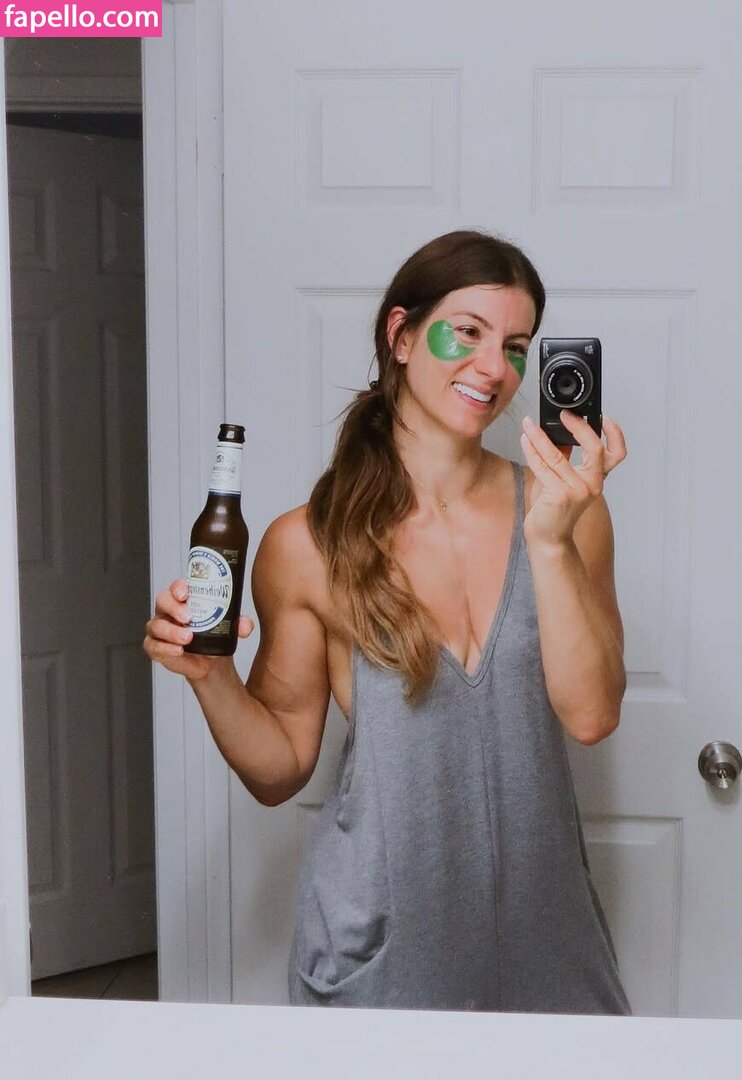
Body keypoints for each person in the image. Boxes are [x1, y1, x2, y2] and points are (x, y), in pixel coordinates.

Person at [144, 229, 631, 1014]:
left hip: (546, 945)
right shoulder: (306, 544)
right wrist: (209, 675)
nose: (493, 368)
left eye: (514, 348)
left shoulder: (571, 516)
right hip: (380, 957)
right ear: (401, 335)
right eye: (466, 332)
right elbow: (278, 768)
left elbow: (591, 715)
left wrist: (547, 541)